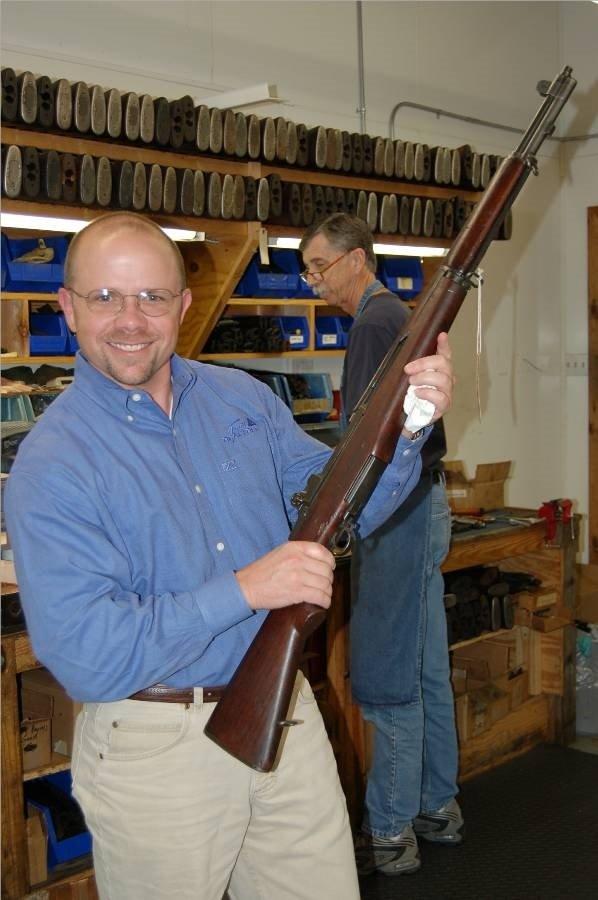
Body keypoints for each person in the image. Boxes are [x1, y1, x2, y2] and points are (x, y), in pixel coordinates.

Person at [5, 211, 454, 900]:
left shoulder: (241, 398)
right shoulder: (52, 463)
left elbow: (341, 505)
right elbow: (88, 653)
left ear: (182, 306)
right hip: (155, 747)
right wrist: (245, 589)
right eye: (105, 298)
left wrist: (412, 422)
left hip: (286, 723)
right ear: (66, 307)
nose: (130, 319)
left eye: (153, 296)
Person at [300, 213, 463, 879]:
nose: (314, 283)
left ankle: (392, 831)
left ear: (356, 258)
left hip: (396, 513)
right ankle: (438, 807)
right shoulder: (394, 312)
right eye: (307, 272)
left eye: (319, 267)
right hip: (426, 502)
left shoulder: (373, 321)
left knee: (386, 672)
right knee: (423, 665)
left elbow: (368, 442)